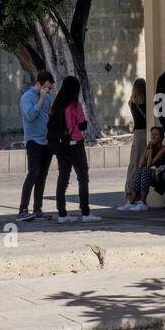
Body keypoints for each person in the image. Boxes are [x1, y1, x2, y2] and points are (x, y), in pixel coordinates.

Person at [48, 75, 100, 224]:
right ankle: (85, 212)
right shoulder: (75, 105)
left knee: (63, 178)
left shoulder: (56, 105)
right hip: (75, 145)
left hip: (61, 146)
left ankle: (62, 214)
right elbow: (83, 125)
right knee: (83, 177)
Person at [17, 70, 55, 221]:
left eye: (49, 88)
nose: (48, 90)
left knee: (42, 175)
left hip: (47, 140)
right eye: (45, 87)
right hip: (33, 140)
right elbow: (30, 116)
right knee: (33, 173)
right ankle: (23, 209)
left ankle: (38, 208)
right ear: (38, 84)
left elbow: (51, 114)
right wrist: (41, 98)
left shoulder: (49, 98)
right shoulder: (27, 97)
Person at [119, 125, 165, 211]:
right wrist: (147, 149)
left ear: (161, 137)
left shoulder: (164, 149)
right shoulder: (151, 148)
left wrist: (151, 150)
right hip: (157, 173)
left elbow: (149, 165)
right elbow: (141, 164)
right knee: (140, 170)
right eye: (152, 134)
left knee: (146, 170)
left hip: (163, 172)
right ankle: (132, 202)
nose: (153, 136)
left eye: (156, 135)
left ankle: (143, 202)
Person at [122, 79, 147, 206]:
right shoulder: (148, 103)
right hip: (147, 134)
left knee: (134, 163)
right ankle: (141, 193)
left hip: (137, 135)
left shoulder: (131, 103)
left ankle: (130, 191)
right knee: (145, 163)